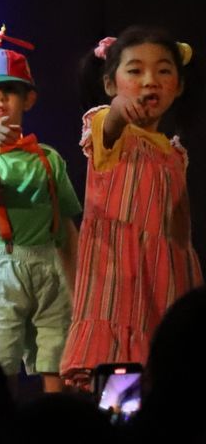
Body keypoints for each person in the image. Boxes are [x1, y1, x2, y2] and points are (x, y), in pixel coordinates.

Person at [62, 28, 201, 384]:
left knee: (165, 372)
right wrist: (119, 111)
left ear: (179, 85)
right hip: (118, 278)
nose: (149, 81)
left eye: (163, 71)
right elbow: (110, 124)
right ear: (110, 84)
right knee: (118, 376)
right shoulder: (107, 129)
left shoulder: (173, 153)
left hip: (165, 277)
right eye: (135, 71)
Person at [0, 33, 81, 390]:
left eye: (9, 89)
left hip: (49, 266)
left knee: (58, 353)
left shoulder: (48, 158)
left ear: (28, 98)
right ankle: (1, 435)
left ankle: (57, 428)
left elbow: (66, 224)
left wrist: (79, 285)